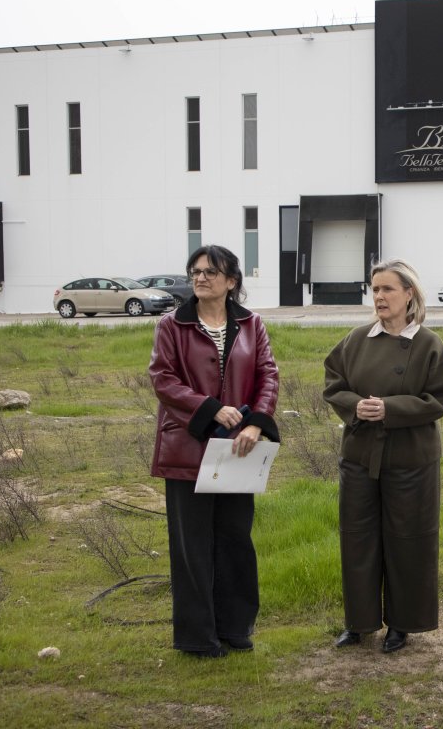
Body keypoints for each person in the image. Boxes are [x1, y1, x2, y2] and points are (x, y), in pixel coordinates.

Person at [149, 244, 280, 658]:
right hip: (188, 449)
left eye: (210, 271)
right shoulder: (172, 325)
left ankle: (235, 628)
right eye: (196, 271)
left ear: (231, 281)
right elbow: (163, 379)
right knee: (192, 546)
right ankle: (197, 637)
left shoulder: (251, 324)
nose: (201, 277)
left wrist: (257, 422)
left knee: (235, 540)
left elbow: (268, 374)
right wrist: (208, 408)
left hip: (238, 449)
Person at [323, 259, 443, 654]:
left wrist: (391, 409)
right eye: (375, 289)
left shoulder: (428, 343)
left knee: (408, 541)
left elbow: (441, 398)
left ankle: (403, 623)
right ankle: (359, 622)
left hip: (410, 459)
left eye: (387, 290)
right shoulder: (357, 339)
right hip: (361, 455)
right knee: (358, 539)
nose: (379, 297)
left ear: (409, 294)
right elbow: (334, 383)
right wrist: (355, 405)